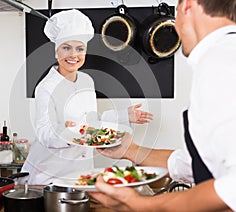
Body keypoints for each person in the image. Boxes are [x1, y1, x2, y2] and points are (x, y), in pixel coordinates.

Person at [90, 0, 236, 211]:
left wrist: (140, 205)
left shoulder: (219, 61)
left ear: (187, 5)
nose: (176, 27)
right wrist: (132, 151)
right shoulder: (225, 55)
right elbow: (193, 164)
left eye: (175, 13)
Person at [20, 9, 153, 185]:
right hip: (48, 176)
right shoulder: (46, 88)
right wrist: (63, 133)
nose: (73, 55)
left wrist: (124, 115)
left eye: (80, 49)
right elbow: (44, 133)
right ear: (56, 51)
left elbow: (89, 121)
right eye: (66, 48)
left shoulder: (86, 81)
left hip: (78, 173)